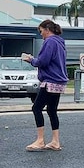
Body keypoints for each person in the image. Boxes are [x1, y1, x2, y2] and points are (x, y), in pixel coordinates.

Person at [23, 19, 68, 150]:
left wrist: (31, 60)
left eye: (41, 31)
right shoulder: (60, 42)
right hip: (59, 81)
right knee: (51, 110)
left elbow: (43, 61)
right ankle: (55, 141)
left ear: (47, 30)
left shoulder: (50, 42)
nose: (41, 34)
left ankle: (40, 140)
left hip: (50, 81)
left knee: (36, 108)